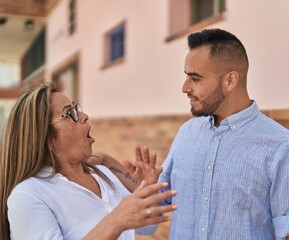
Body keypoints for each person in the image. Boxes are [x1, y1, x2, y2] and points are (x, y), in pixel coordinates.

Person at [155, 28, 289, 239]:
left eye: (195, 78)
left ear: (230, 81)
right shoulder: (186, 133)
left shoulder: (284, 148)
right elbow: (160, 197)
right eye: (187, 76)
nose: (185, 87)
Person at [0, 84, 177, 240]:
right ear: (44, 137)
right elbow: (120, 220)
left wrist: (145, 189)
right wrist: (116, 221)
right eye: (69, 113)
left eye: (77, 108)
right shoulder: (28, 195)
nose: (84, 116)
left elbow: (147, 227)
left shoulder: (103, 173)